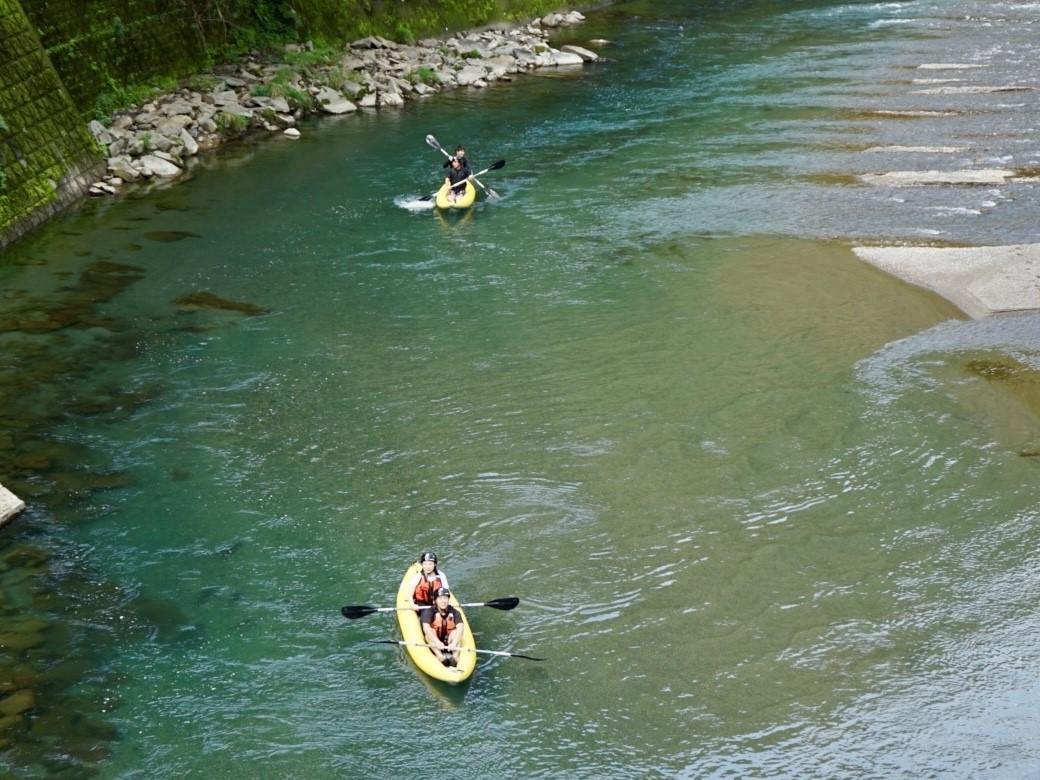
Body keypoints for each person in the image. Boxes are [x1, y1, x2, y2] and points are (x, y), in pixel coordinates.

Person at [420, 586, 464, 667]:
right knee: (430, 633)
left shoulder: (455, 612)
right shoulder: (429, 612)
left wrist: (454, 643)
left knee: (455, 632)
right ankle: (440, 656)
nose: (443, 601)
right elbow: (426, 628)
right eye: (440, 598)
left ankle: (455, 657)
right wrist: (437, 642)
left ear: (448, 600)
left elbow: (460, 627)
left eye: (445, 598)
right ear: (435, 601)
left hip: (449, 641)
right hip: (435, 642)